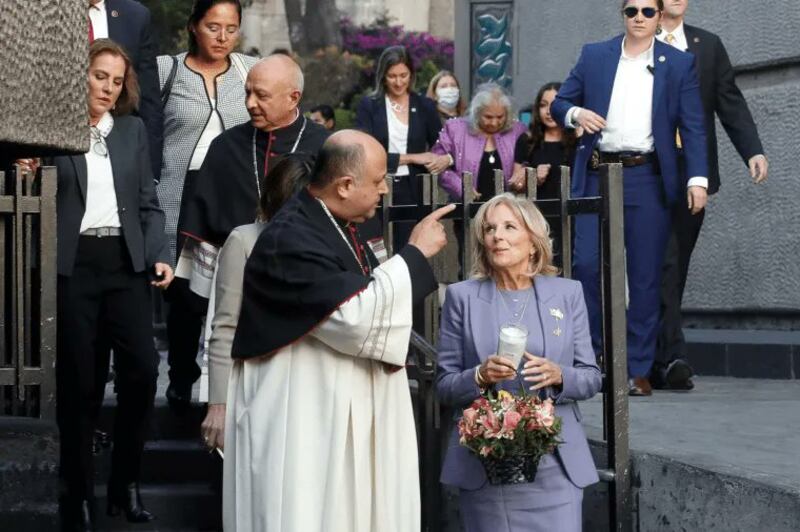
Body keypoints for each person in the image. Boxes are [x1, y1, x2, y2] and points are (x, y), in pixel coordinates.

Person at [222, 130, 455, 531]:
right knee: (306, 511)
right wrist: (415, 255)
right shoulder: (291, 237)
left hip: (328, 407)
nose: (385, 188)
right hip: (300, 417)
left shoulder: (334, 225)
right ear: (345, 185)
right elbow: (354, 318)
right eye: (379, 179)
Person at [550, 0, 708, 396]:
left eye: (647, 11)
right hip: (596, 173)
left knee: (645, 276)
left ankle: (636, 368)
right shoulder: (595, 55)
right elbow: (559, 103)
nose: (639, 17)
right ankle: (597, 360)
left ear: (659, 17)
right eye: (631, 10)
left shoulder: (678, 63)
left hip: (646, 177)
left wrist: (698, 179)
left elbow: (693, 126)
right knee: (585, 265)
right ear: (623, 15)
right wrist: (576, 115)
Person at [52, 39, 173, 530]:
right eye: (99, 75)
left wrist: (159, 253)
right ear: (80, 75)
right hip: (75, 266)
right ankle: (77, 494)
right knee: (79, 384)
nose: (107, 87)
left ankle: (125, 482)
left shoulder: (132, 130)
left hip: (125, 264)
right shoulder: (52, 132)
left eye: (116, 80)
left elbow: (148, 201)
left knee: (142, 374)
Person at [166, 53, 329, 407]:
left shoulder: (325, 146)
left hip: (304, 276)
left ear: (293, 98)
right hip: (236, 271)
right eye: (247, 93)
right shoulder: (226, 147)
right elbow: (204, 214)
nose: (250, 104)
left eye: (262, 96)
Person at [436, 193, 602, 532]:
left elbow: (591, 377)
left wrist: (559, 375)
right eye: (490, 228)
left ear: (533, 242)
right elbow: (444, 384)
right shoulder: (462, 297)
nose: (497, 235)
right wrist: (479, 375)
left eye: (510, 226)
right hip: (487, 462)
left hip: (556, 463)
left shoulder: (567, 293)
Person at [654, 0, 769, 390]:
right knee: (662, 262)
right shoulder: (637, 42)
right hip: (647, 170)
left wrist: (752, 150)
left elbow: (729, 102)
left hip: (694, 172)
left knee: (676, 262)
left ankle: (657, 355)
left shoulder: (708, 44)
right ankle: (672, 356)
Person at [156, 0, 258, 411]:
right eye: (213, 26)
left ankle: (235, 377)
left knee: (236, 283)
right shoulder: (167, 70)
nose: (222, 37)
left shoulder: (251, 69)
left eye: (231, 28)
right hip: (179, 191)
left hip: (235, 193)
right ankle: (182, 375)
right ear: (194, 26)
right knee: (184, 292)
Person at [200, 156, 311, 451]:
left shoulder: (324, 242)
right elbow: (225, 325)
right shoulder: (244, 240)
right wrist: (218, 403)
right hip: (259, 380)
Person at [356, 45, 445, 249]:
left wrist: (438, 159)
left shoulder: (424, 106)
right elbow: (364, 150)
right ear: (382, 76)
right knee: (376, 245)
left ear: (411, 75)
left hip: (413, 186)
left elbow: (440, 146)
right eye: (392, 76)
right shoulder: (369, 105)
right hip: (377, 183)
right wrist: (413, 157)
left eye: (403, 75)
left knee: (408, 246)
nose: (398, 82)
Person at [88, 0, 162, 179]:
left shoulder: (136, 16)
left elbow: (148, 99)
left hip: (115, 147)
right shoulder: (42, 6)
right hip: (54, 142)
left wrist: (148, 174)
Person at [433, 82, 527, 202]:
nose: (494, 123)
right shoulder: (454, 129)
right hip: (467, 208)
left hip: (507, 209)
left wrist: (523, 172)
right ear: (477, 113)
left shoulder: (518, 131)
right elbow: (438, 165)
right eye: (488, 117)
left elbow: (529, 159)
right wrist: (461, 188)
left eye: (500, 117)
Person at [514, 82, 578, 200]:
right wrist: (532, 178)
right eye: (543, 105)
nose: (549, 111)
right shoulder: (527, 140)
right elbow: (515, 186)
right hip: (537, 213)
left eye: (554, 105)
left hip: (573, 212)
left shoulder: (578, 139)